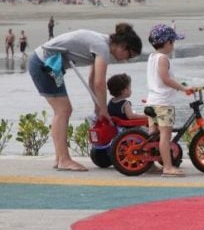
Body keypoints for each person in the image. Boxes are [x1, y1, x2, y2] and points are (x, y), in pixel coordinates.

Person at [28, 24, 142, 171]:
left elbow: (92, 80)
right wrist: (104, 110)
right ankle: (64, 160)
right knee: (63, 110)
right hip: (44, 64)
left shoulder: (102, 43)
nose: (126, 60)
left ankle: (59, 158)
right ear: (123, 46)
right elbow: (99, 83)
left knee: (62, 111)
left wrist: (98, 107)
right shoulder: (102, 47)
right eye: (129, 55)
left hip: (49, 65)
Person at [145, 24, 195, 177]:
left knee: (153, 136)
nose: (173, 46)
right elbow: (166, 79)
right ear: (167, 43)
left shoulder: (152, 57)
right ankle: (167, 167)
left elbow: (157, 79)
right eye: (173, 42)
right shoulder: (163, 59)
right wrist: (183, 88)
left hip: (152, 101)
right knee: (165, 136)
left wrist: (180, 85)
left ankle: (149, 164)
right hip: (163, 103)